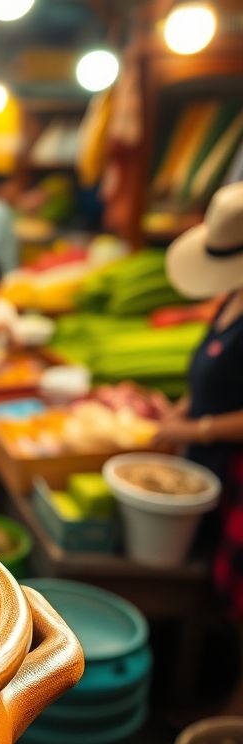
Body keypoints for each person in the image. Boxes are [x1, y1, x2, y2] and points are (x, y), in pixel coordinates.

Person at [157, 182, 243, 636]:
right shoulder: (232, 297)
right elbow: (210, 371)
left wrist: (195, 430)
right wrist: (179, 413)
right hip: (207, 465)